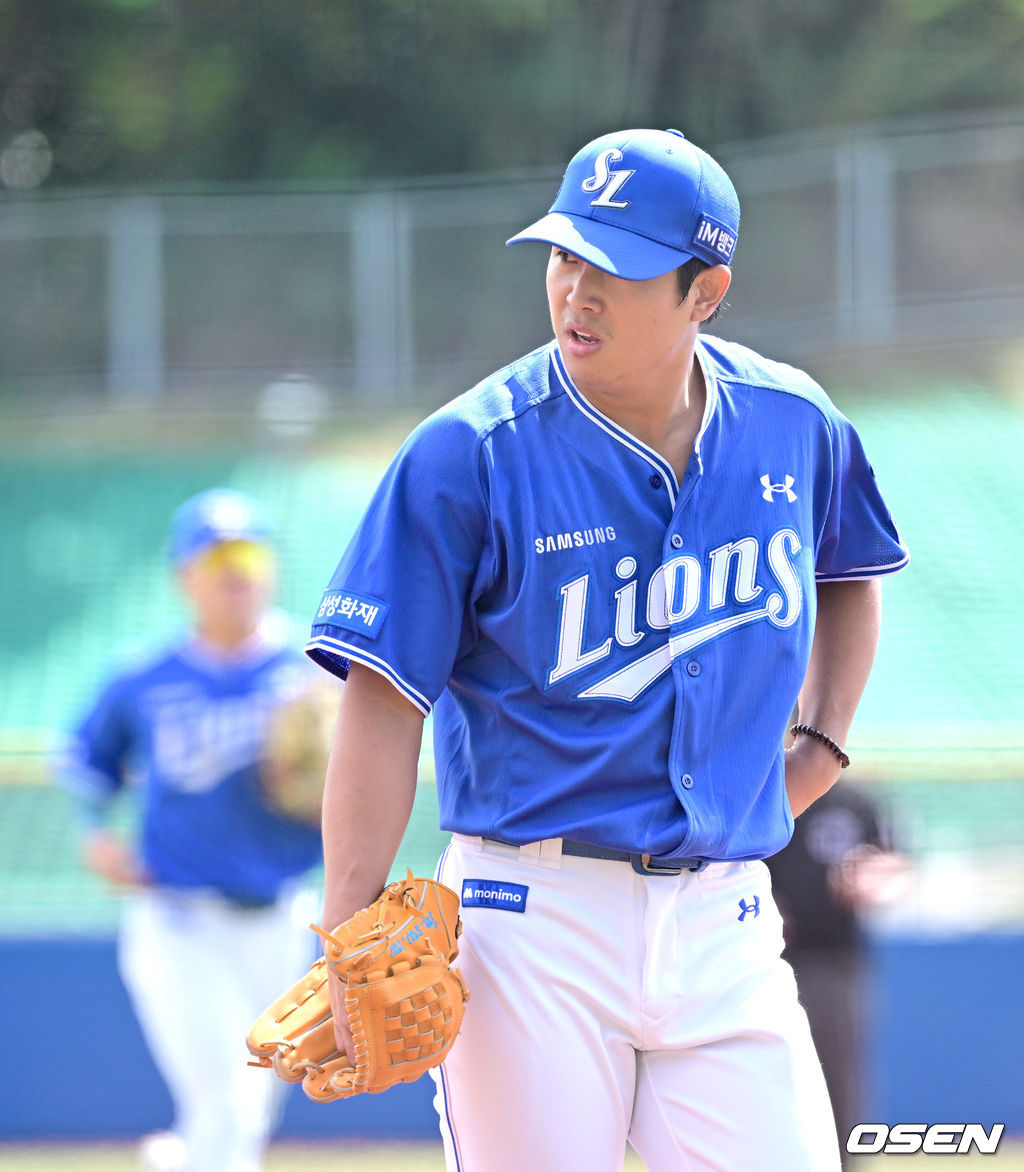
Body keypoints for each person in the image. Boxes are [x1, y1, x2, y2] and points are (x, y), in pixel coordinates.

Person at [305, 128, 909, 1172]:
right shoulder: (470, 451)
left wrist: (820, 744)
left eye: (616, 269)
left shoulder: (792, 421)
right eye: (564, 254)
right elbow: (383, 696)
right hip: (531, 920)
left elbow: (851, 570)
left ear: (705, 292)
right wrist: (345, 925)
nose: (577, 291)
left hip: (725, 915)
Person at [58, 487, 325, 1172]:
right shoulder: (146, 676)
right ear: (185, 577)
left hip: (282, 914)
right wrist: (94, 831)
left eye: (249, 556)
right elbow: (88, 761)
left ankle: (178, 1161)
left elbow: (364, 772)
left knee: (254, 1105)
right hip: (178, 918)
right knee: (231, 1104)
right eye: (216, 560)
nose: (236, 574)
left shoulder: (313, 669)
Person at [766, 776, 911, 1166]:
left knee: (837, 1074)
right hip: (764, 958)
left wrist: (874, 879)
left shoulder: (854, 800)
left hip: (834, 957)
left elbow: (892, 864)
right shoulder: (764, 792)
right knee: (760, 1073)